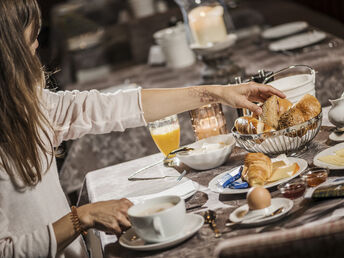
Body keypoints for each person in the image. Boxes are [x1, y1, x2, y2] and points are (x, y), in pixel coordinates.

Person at [0, 0, 285, 257]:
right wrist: (80, 218)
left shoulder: (27, 107)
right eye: (29, 42)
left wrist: (217, 93)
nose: (38, 46)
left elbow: (115, 107)